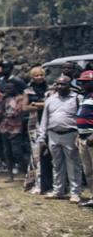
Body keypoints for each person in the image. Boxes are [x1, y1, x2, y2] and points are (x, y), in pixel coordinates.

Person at [38, 74, 81, 202]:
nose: (60, 86)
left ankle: (75, 192)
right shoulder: (50, 99)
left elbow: (81, 118)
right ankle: (58, 190)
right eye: (58, 84)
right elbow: (44, 119)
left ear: (70, 85)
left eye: (63, 84)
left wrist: (80, 134)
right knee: (56, 164)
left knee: (73, 164)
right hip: (53, 135)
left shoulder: (77, 98)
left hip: (70, 134)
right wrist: (42, 138)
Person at [22, 66, 52, 194]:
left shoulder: (50, 90)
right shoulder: (28, 91)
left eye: (41, 75)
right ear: (32, 77)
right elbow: (24, 107)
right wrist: (40, 106)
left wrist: (37, 105)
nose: (39, 77)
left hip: (49, 123)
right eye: (36, 75)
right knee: (36, 154)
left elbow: (51, 104)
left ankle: (49, 183)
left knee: (49, 153)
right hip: (34, 124)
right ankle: (36, 183)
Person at [0, 78, 29, 183]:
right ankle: (10, 175)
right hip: (4, 127)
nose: (8, 90)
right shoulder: (3, 99)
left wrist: (4, 114)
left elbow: (17, 112)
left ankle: (26, 173)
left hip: (16, 128)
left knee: (17, 152)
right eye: (6, 88)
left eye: (10, 88)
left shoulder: (20, 98)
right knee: (7, 152)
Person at [76, 70, 93, 208]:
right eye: (81, 82)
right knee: (88, 170)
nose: (82, 84)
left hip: (91, 137)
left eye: (85, 82)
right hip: (83, 137)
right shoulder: (85, 96)